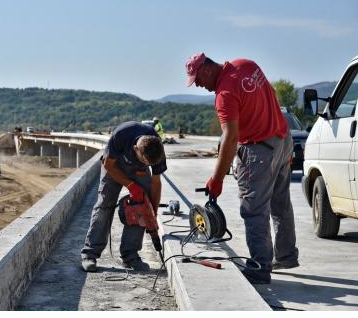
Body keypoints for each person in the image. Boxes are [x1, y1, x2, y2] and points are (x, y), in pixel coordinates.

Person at [185, 52, 299, 284]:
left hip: (258, 151)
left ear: (207, 69)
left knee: (254, 210)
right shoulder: (247, 65)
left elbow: (230, 136)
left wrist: (217, 179)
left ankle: (260, 267)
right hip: (282, 139)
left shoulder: (224, 94)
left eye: (198, 80)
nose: (200, 86)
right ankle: (286, 256)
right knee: (280, 203)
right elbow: (272, 95)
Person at [80, 121, 167, 272]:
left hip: (139, 172)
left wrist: (151, 213)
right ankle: (90, 254)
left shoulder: (157, 148)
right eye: (143, 161)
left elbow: (156, 182)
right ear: (135, 149)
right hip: (114, 166)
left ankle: (130, 255)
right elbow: (108, 164)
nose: (146, 164)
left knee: (141, 207)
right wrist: (131, 185)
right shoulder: (122, 135)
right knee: (104, 205)